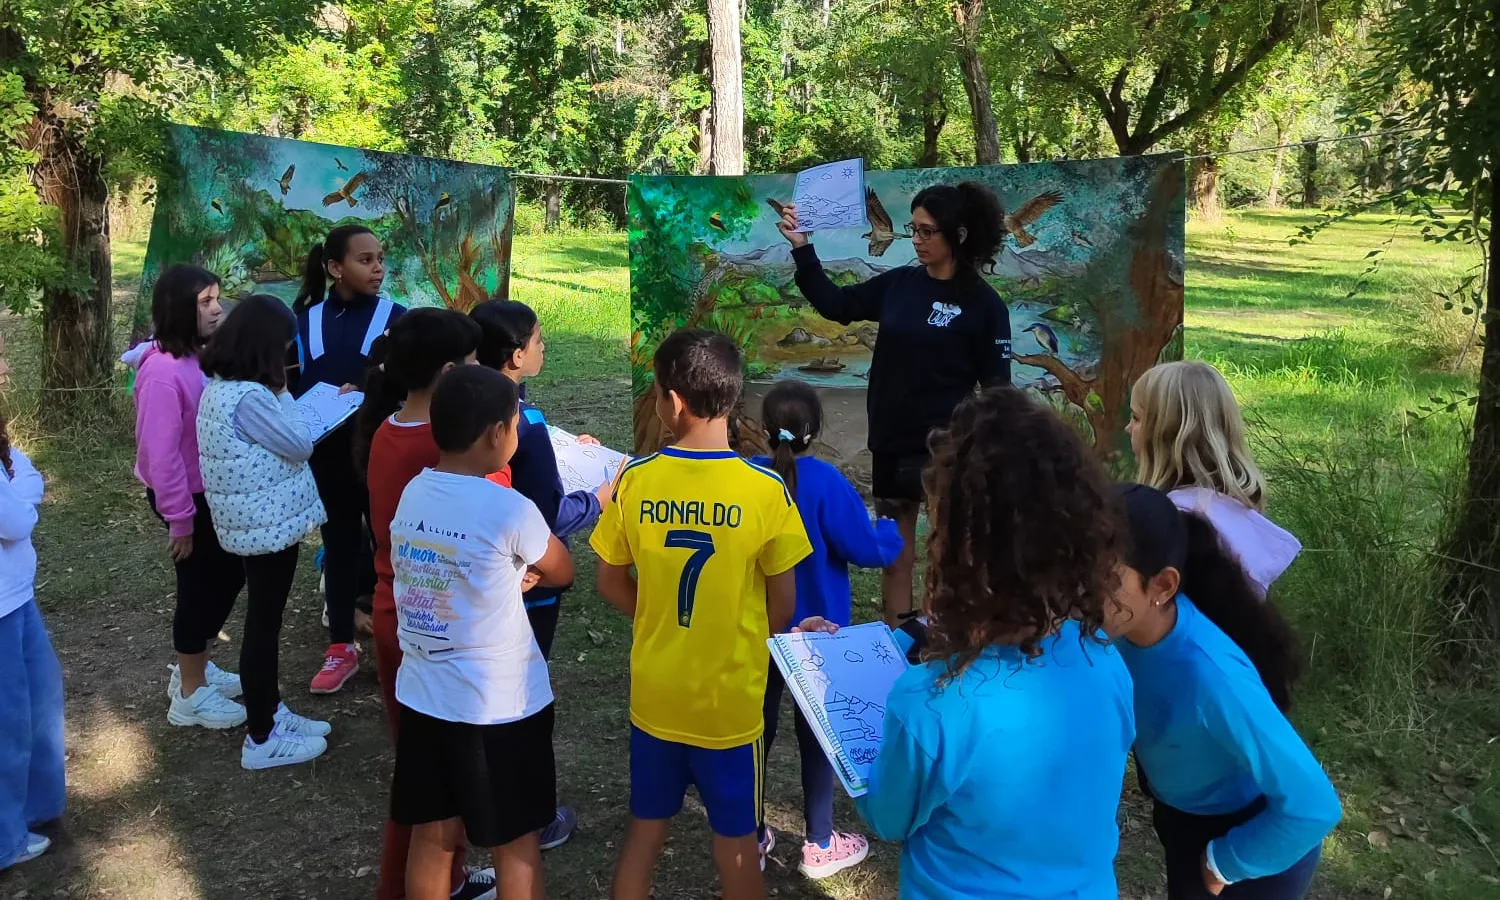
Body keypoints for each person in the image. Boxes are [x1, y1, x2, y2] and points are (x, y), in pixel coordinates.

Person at [806, 386, 1134, 900]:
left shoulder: (929, 705)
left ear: (958, 549)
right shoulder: (1104, 660)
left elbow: (890, 817)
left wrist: (826, 693)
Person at [591, 329, 813, 900]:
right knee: (737, 843)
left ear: (672, 403)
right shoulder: (765, 489)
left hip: (657, 695)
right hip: (731, 705)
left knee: (645, 832)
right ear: (732, 401)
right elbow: (783, 604)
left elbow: (610, 581)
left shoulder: (635, 482)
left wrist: (657, 615)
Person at [777, 183, 1013, 626]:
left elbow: (999, 393)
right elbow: (837, 305)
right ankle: (899, 642)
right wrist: (803, 249)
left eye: (927, 232)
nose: (917, 241)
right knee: (896, 555)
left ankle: (942, 642)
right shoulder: (900, 285)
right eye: (914, 230)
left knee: (947, 557)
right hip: (891, 441)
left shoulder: (985, 306)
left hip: (946, 453)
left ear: (959, 235)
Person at [389, 366, 574, 900]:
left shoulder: (413, 495)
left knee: (434, 836)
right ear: (498, 433)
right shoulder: (508, 508)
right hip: (501, 706)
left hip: (425, 698)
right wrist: (522, 570)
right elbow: (560, 569)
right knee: (516, 846)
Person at [1112, 484, 1342, 899]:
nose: (1080, 593)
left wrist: (1226, 861)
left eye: (1106, 578)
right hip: (1182, 817)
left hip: (1251, 840)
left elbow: (1314, 805)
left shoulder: (1213, 678)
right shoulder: (1118, 628)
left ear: (1162, 586)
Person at [355, 309, 500, 900]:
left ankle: (453, 876)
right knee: (429, 780)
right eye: (472, 365)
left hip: (401, 615)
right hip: (434, 626)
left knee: (429, 766)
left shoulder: (389, 429)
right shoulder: (439, 456)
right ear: (448, 373)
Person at [470, 299, 612, 850]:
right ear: (514, 355)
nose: (544, 347)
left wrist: (561, 446)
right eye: (538, 339)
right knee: (525, 697)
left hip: (478, 579)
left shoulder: (468, 403)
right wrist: (599, 499)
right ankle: (535, 814)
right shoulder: (520, 422)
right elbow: (547, 515)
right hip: (529, 584)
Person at [748, 381, 902, 878]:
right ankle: (819, 842)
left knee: (757, 731)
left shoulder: (751, 479)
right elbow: (868, 550)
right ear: (816, 430)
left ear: (766, 429)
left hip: (761, 631)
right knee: (818, 736)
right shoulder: (828, 482)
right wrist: (891, 530)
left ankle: (748, 835)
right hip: (821, 637)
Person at [198, 294, 333, 770]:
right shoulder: (254, 396)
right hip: (266, 528)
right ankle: (261, 737)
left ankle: (271, 709)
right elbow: (298, 444)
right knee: (263, 624)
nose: (289, 356)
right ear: (266, 349)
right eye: (283, 348)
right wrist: (283, 392)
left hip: (256, 521)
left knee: (264, 619)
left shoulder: (222, 384)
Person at [133, 265, 249, 729]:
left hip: (210, 494)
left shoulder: (198, 356)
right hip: (187, 500)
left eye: (217, 298)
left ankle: (193, 665)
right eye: (205, 302)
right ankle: (190, 692)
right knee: (200, 587)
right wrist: (180, 520)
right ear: (180, 309)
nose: (217, 308)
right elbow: (161, 458)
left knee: (227, 577)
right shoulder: (162, 372)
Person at [293, 224, 405, 693]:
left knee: (392, 547)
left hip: (380, 457)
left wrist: (370, 391)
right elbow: (292, 386)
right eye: (365, 260)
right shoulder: (304, 321)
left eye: (380, 258)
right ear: (335, 268)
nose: (377, 267)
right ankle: (340, 647)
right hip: (329, 462)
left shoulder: (398, 318)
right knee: (339, 547)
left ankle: (401, 643)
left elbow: (411, 386)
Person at [1128, 361, 1301, 597]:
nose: (1129, 428)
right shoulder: (1229, 511)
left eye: (1136, 418)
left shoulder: (1177, 525)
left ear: (1167, 434)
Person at [0, 414, 65, 870]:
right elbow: (16, 520)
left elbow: (26, 471)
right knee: (8, 724)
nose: (3, 368)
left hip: (16, 595)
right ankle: (5, 839)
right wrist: (21, 500)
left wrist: (19, 494)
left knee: (41, 701)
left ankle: (35, 807)